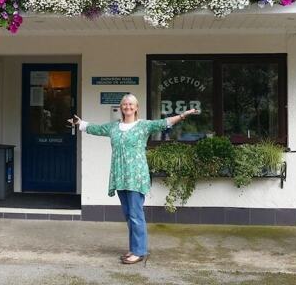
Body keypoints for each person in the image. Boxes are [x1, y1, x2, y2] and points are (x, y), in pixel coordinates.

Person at [68, 94, 199, 265]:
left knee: (136, 214)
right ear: (121, 108)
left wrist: (183, 115)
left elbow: (164, 123)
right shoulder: (114, 127)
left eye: (131, 104)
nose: (127, 107)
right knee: (129, 215)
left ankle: (139, 251)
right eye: (124, 104)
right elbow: (97, 129)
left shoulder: (143, 126)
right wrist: (80, 124)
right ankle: (134, 248)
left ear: (136, 107)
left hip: (136, 177)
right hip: (120, 176)